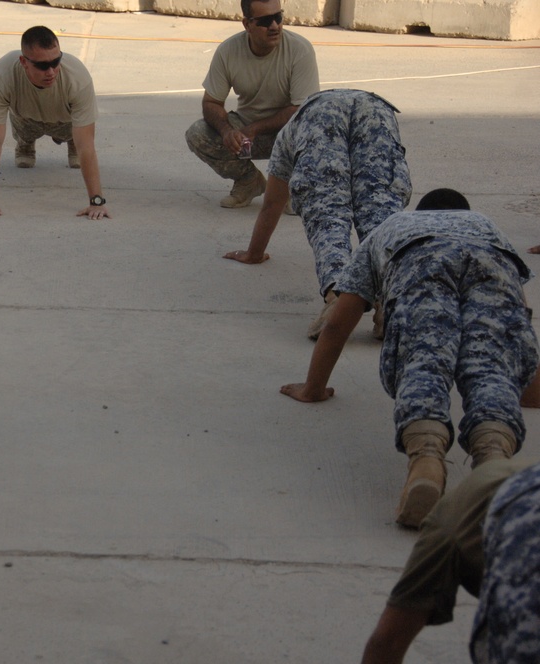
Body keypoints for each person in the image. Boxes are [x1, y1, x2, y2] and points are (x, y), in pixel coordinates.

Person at [280, 189, 539, 527]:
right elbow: (518, 320)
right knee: (492, 369)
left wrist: (312, 388)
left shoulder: (394, 226)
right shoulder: (486, 226)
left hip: (417, 260)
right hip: (489, 262)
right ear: (464, 212)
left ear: (421, 211)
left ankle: (426, 463)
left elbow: (337, 324)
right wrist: (528, 390)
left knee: (424, 362)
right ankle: (493, 464)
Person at [224, 88, 411, 339]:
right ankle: (391, 304)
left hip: (317, 118)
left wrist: (254, 253)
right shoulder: (300, 122)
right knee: (380, 213)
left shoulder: (290, 131)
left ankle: (337, 296)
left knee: (327, 216)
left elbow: (273, 203)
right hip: (376, 110)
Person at [360, 457, 535, 664]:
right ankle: (492, 441)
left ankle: (427, 456)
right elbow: (390, 641)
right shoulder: (454, 524)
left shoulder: (452, 526)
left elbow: (390, 640)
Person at [185, 0, 319, 209]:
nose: (274, 26)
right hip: (246, 135)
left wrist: (254, 128)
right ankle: (249, 181)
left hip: (286, 133)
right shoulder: (228, 51)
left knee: (316, 128)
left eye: (278, 17)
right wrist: (227, 131)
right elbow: (211, 102)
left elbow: (302, 110)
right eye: (265, 21)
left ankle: (293, 187)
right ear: (247, 25)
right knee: (197, 133)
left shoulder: (300, 50)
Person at [0, 25, 110, 221]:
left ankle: (71, 142)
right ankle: (25, 143)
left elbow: (86, 145)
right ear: (23, 62)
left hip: (66, 122)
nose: (51, 71)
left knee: (78, 143)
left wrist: (96, 202)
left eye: (56, 62)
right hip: (25, 119)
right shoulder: (1, 75)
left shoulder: (77, 77)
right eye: (43, 66)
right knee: (24, 140)